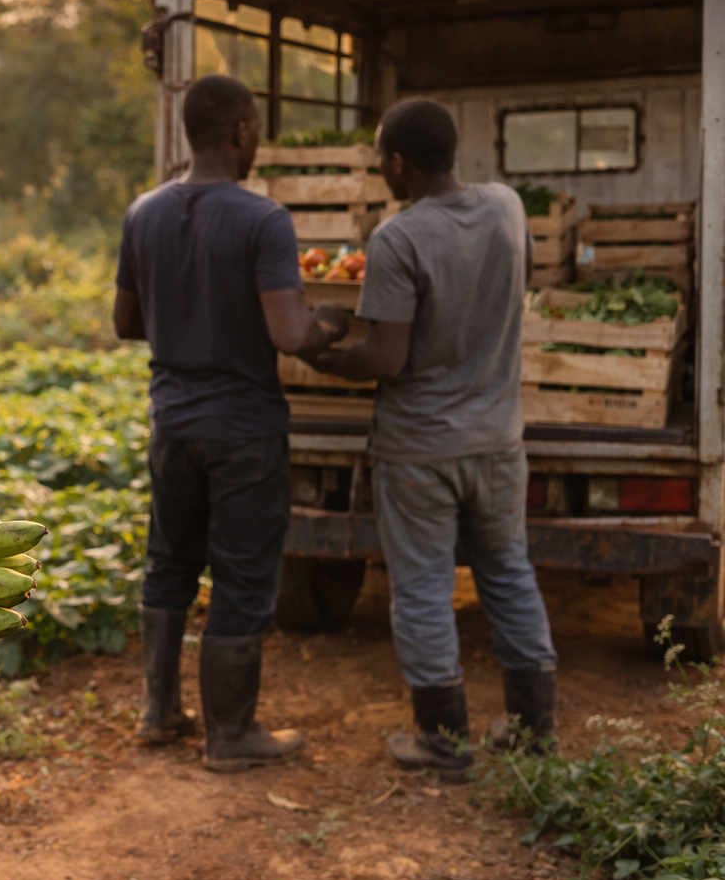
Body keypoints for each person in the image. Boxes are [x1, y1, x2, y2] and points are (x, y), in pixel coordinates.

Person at [300, 98, 559, 781]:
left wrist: (321, 356)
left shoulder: (399, 238)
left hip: (420, 450)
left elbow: (386, 358)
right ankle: (535, 734)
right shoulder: (507, 207)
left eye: (381, 159)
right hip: (499, 440)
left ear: (397, 163)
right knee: (508, 574)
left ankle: (443, 745)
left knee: (420, 589)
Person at [113, 74, 348, 772]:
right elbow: (289, 334)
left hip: (173, 425)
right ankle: (231, 734)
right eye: (255, 132)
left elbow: (126, 322)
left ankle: (159, 713)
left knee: (170, 563)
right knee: (243, 577)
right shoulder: (263, 220)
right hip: (243, 429)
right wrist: (328, 326)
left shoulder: (144, 213)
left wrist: (186, 306)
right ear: (240, 132)